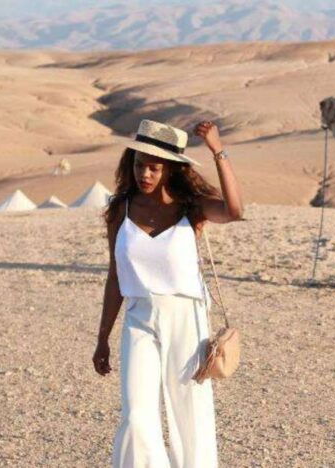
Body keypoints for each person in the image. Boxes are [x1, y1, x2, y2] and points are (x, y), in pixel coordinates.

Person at [92, 119, 243, 467]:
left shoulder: (192, 208)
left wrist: (218, 149)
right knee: (136, 414)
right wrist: (102, 338)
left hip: (186, 318)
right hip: (139, 317)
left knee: (189, 412)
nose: (144, 174)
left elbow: (235, 211)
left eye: (154, 167)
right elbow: (115, 277)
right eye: (139, 164)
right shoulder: (120, 210)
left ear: (170, 170)